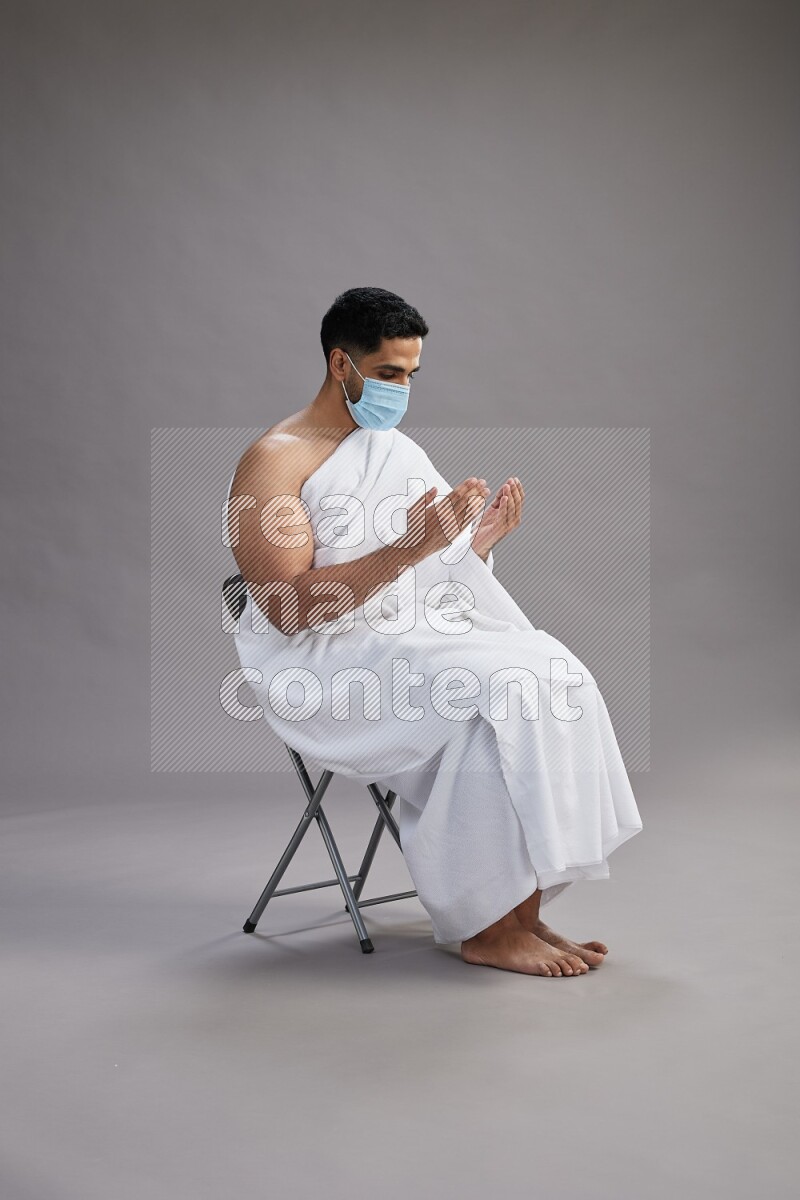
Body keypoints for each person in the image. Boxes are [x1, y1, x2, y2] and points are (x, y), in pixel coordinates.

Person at [224, 286, 643, 978]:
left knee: (551, 670)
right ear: (340, 364)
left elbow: (427, 573)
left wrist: (471, 546)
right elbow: (287, 612)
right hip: (323, 662)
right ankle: (487, 926)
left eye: (411, 375)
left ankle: (519, 914)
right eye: (389, 373)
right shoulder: (274, 461)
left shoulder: (389, 447)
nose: (402, 389)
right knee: (497, 690)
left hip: (402, 637)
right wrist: (410, 550)